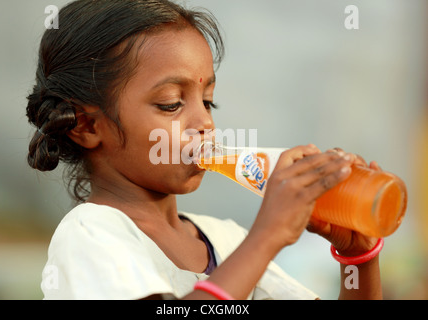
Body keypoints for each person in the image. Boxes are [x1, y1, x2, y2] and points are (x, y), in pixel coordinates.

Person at [27, 0, 383, 300]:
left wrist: (358, 257)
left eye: (208, 101)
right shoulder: (90, 236)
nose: (205, 123)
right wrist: (267, 237)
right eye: (171, 104)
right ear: (87, 126)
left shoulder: (227, 239)